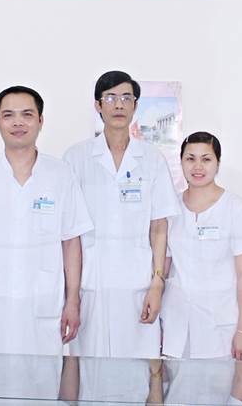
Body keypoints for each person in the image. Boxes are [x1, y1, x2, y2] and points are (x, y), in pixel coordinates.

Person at [0, 85, 93, 356]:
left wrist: (72, 301)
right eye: (8, 115)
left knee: (41, 387)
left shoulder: (60, 175)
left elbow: (71, 243)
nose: (18, 122)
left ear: (40, 121)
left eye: (27, 114)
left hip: (43, 306)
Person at [63, 71, 178, 358]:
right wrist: (72, 295)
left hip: (137, 284)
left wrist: (157, 282)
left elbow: (159, 227)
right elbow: (69, 233)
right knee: (88, 375)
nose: (119, 105)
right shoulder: (75, 158)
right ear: (98, 105)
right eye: (111, 98)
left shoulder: (151, 159)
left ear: (135, 106)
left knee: (137, 376)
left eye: (127, 98)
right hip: (91, 284)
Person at [161, 131, 242, 360]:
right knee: (176, 392)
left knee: (218, 389)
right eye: (190, 158)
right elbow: (163, 268)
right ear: (181, 162)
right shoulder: (170, 208)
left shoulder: (236, 208)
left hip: (220, 326)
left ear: (218, 163)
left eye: (206, 159)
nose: (198, 166)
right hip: (176, 324)